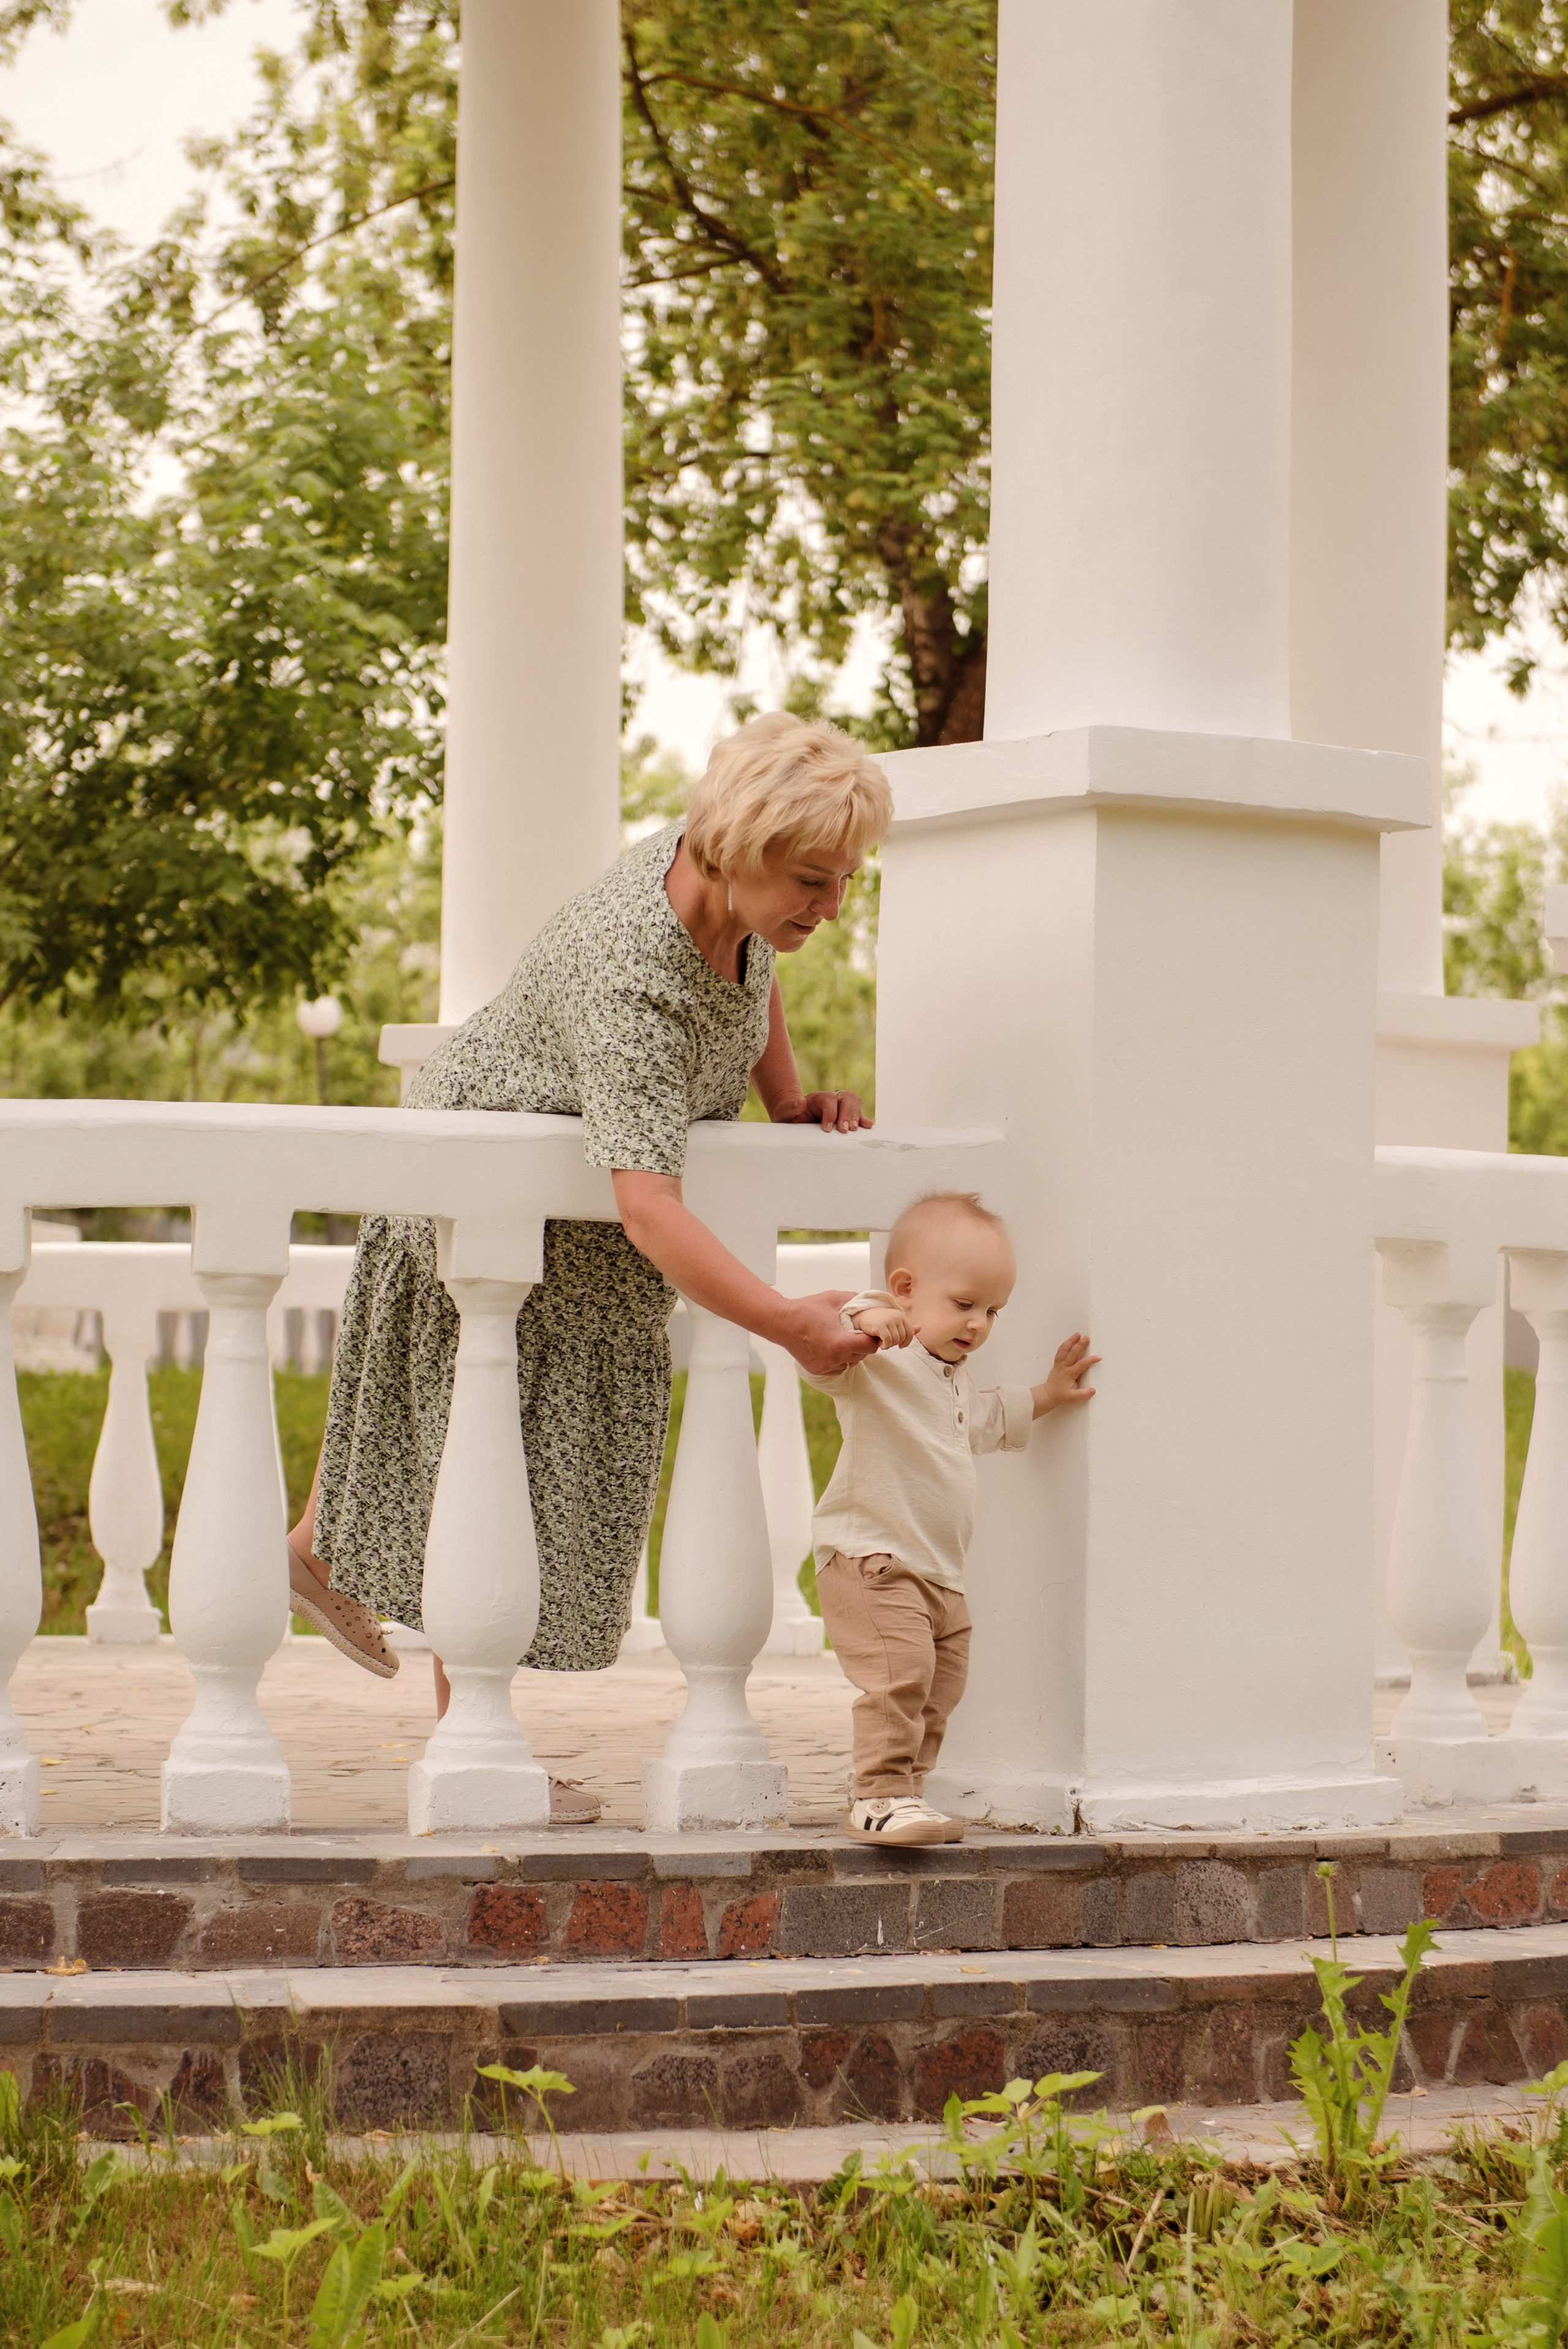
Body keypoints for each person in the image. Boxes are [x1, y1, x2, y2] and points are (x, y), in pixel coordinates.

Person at [285, 712, 890, 1821]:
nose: (832, 906)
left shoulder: (722, 886)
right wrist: (788, 1326)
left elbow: (753, 983)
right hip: (486, 1218)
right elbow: (651, 1208)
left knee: (495, 1470)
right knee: (490, 1469)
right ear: (740, 849)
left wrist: (793, 1103)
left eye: (845, 879)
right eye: (814, 879)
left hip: (570, 1244)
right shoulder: (632, 973)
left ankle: (329, 1555)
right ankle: (474, 1742)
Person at [804, 1191, 1099, 1848]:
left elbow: (987, 1421)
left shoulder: (954, 1379)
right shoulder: (875, 1360)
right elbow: (822, 1327)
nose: (979, 1324)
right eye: (965, 1304)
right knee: (897, 1679)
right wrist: (869, 1313)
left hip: (939, 1572)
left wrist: (1048, 1393)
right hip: (874, 1559)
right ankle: (877, 1795)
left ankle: (906, 1792)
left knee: (939, 1692)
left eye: (993, 1310)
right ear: (905, 1288)